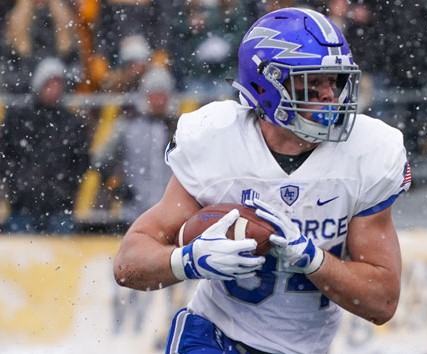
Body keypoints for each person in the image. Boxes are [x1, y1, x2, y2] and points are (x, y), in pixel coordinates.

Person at [113, 7, 410, 354]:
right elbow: (128, 263)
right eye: (313, 83)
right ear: (268, 85)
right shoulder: (218, 139)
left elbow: (382, 302)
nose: (331, 96)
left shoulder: (368, 152)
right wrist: (187, 261)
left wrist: (314, 260)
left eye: (335, 81)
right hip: (214, 338)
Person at [0, 57, 90, 233]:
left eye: (58, 84)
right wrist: (16, 184)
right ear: (39, 85)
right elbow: (5, 154)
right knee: (20, 257)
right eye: (50, 84)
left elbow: (81, 161)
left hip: (59, 206)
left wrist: (66, 188)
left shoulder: (72, 122)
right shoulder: (17, 118)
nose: (54, 90)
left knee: (62, 258)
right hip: (22, 205)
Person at [93, 67, 177, 223]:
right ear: (145, 96)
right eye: (154, 95)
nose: (158, 101)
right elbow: (100, 160)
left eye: (162, 95)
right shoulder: (128, 126)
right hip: (134, 213)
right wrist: (118, 187)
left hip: (170, 214)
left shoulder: (180, 128)